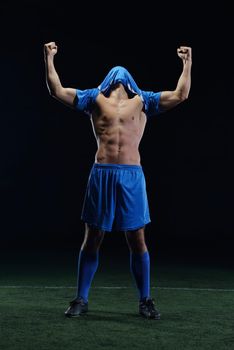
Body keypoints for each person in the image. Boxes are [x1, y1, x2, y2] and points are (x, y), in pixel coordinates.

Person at [44, 42, 192, 319]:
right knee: (93, 237)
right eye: (114, 73)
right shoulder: (94, 99)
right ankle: (81, 299)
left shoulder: (143, 101)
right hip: (102, 174)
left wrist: (187, 63)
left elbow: (181, 94)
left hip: (131, 176)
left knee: (137, 238)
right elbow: (57, 91)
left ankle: (145, 300)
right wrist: (48, 58)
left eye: (124, 73)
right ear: (107, 80)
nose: (119, 74)